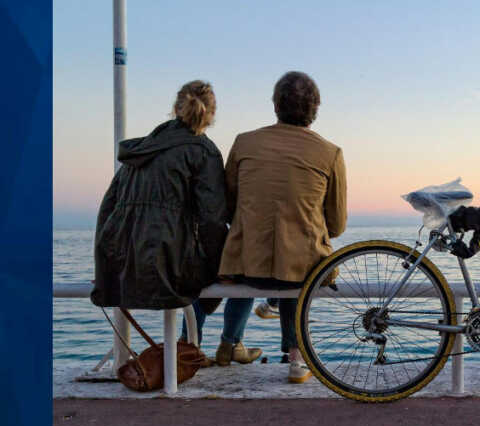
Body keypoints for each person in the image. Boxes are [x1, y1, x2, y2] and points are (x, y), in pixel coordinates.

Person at [91, 80, 261, 366]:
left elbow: (108, 207)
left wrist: (104, 264)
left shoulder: (142, 149)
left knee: (199, 264)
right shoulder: (204, 152)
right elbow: (211, 219)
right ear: (212, 115)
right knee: (244, 268)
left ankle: (191, 343)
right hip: (166, 264)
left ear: (174, 109)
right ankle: (226, 343)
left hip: (123, 261)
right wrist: (224, 262)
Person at [219, 71, 347, 383]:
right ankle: (297, 360)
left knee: (258, 253)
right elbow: (337, 223)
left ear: (276, 105)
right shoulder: (330, 153)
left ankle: (227, 344)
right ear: (315, 109)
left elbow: (228, 203)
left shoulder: (244, 142)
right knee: (297, 262)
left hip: (244, 266)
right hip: (299, 270)